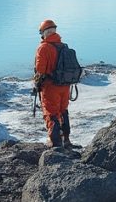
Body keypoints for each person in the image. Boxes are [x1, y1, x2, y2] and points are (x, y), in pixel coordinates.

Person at [34, 19, 72, 149]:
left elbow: (40, 70)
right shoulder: (63, 46)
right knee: (63, 111)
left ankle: (55, 143)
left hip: (50, 87)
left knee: (51, 113)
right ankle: (66, 139)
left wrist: (37, 83)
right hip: (65, 86)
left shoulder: (43, 48)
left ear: (44, 32)